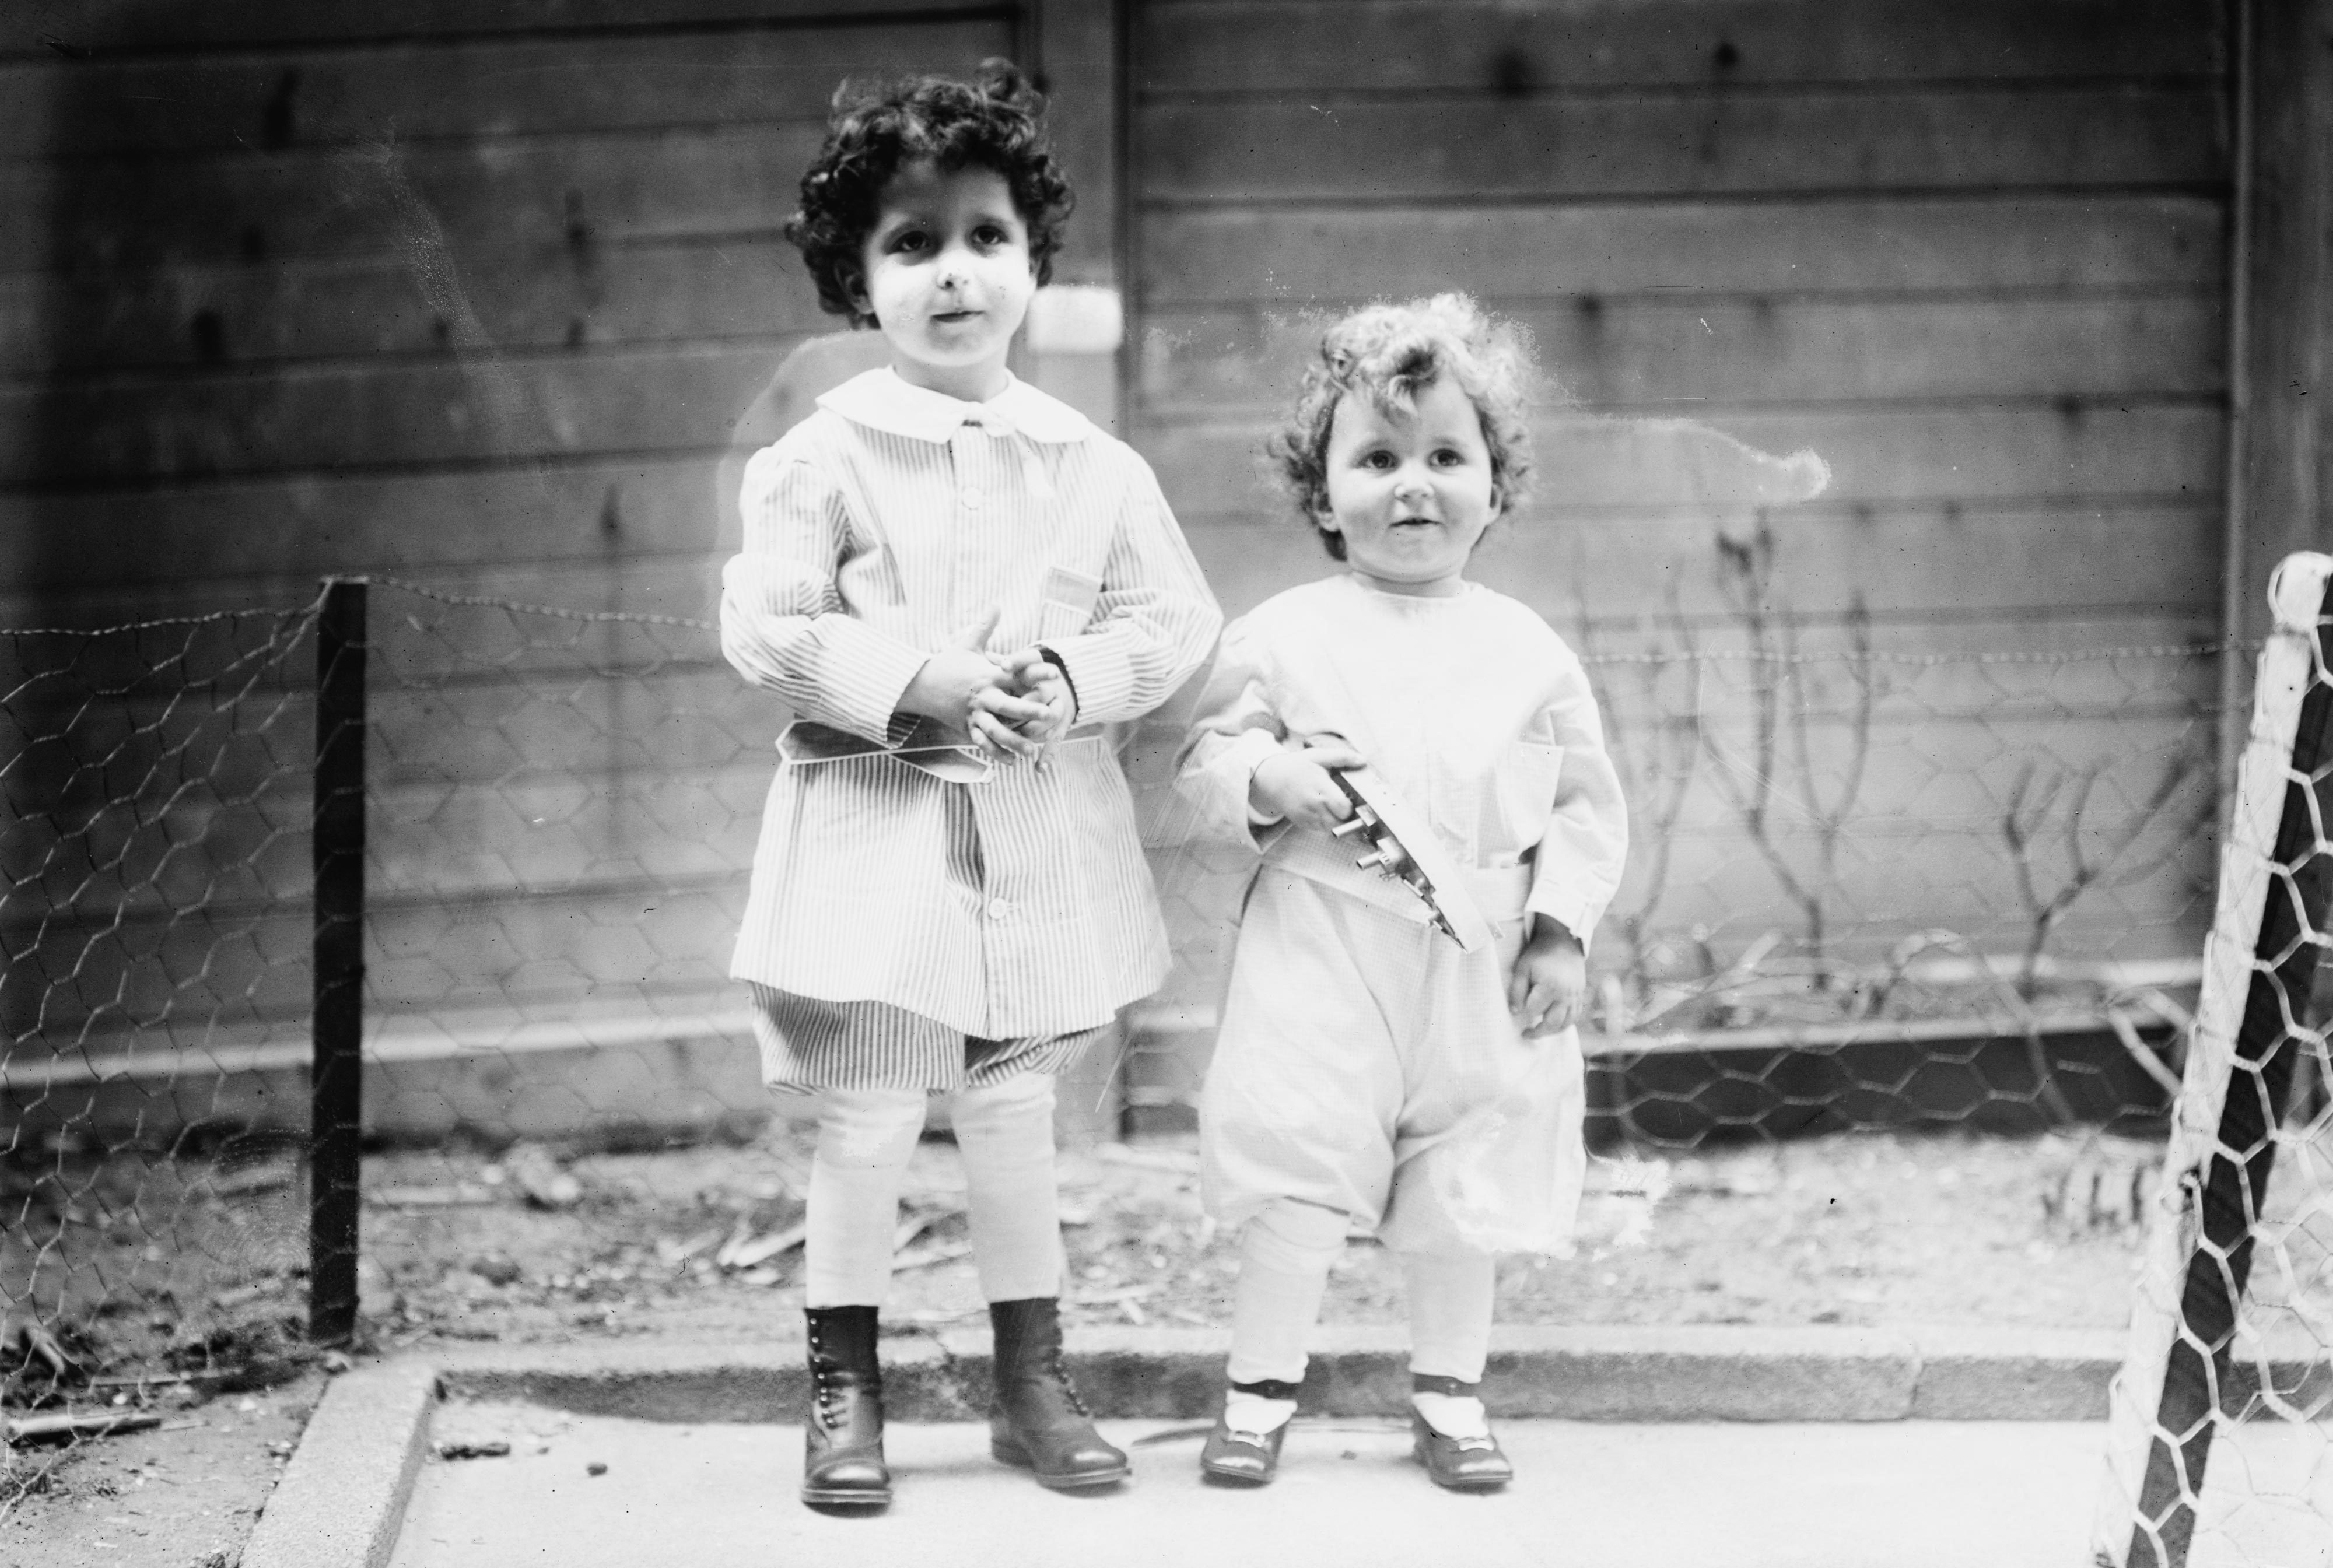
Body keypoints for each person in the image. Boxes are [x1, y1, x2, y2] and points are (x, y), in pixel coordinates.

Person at [720, 60, 1220, 1510]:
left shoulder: (1093, 464)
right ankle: (843, 1387)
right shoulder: (817, 459)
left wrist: (1069, 683)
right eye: (911, 243)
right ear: (856, 277)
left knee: (1011, 1117)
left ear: (1032, 260)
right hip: (873, 839)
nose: (955, 274)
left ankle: (1029, 1379)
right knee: (869, 1116)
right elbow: (767, 624)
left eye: (985, 237)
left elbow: (1167, 620)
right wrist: (914, 680)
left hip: (1036, 836)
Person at [1176, 294, 1627, 1491]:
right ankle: (1258, 1391)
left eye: (1444, 456)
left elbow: (1584, 803)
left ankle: (1450, 1395)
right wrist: (1267, 774)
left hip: (1477, 950)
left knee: (1467, 1170)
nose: (1411, 484)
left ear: (1495, 485)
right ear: (1322, 495)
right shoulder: (1282, 634)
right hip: (1321, 938)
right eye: (1374, 459)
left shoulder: (1526, 650)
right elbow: (1204, 759)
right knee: (1296, 1158)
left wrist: (1558, 931)